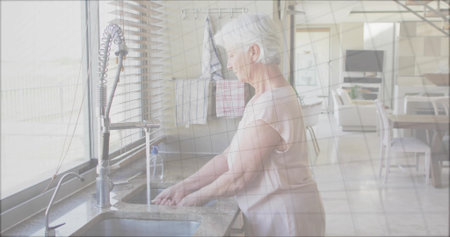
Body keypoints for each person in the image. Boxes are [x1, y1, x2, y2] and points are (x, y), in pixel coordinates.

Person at [153, 13, 325, 236]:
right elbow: (228, 158)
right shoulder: (262, 98)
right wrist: (183, 187)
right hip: (277, 215)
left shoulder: (271, 103)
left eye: (232, 54)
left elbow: (239, 176)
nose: (229, 64)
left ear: (253, 52)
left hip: (286, 220)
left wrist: (191, 199)